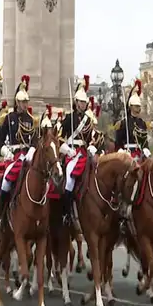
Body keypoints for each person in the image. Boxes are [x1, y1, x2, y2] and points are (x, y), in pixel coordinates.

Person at [0, 75, 41, 230]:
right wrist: (6, 152)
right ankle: (2, 216)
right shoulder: (9, 119)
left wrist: (32, 150)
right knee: (6, 181)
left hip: (28, 156)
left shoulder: (31, 120)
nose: (24, 104)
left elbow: (35, 139)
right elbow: (0, 142)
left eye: (26, 102)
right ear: (17, 102)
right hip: (14, 156)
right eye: (22, 102)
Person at [60, 75, 98, 224]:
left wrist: (92, 148)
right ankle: (66, 212)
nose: (83, 104)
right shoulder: (69, 118)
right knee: (69, 178)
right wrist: (67, 150)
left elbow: (90, 140)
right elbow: (60, 139)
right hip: (71, 153)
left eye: (85, 102)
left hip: (83, 153)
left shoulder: (87, 121)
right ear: (76, 102)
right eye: (81, 102)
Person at [114, 79, 150, 159]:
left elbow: (144, 141)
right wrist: (121, 151)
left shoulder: (142, 123)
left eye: (139, 106)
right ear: (131, 107)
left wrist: (146, 149)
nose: (138, 108)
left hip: (140, 154)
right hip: (127, 153)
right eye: (136, 106)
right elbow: (118, 142)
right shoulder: (123, 123)